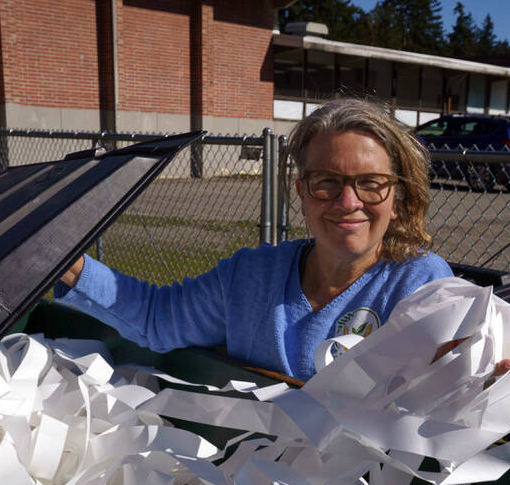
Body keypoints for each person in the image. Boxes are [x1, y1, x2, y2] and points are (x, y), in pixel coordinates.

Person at [54, 98, 459, 380]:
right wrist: (69, 266)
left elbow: (455, 387)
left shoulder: (419, 284)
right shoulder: (251, 277)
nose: (348, 201)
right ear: (301, 194)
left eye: (371, 184)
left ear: (397, 199)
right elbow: (156, 319)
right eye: (326, 183)